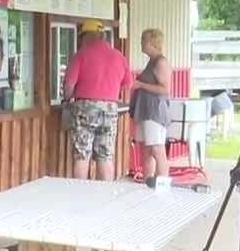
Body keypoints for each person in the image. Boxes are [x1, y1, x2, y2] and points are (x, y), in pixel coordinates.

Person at [63, 19, 132, 181]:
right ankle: (105, 197)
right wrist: (109, 92)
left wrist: (67, 99)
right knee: (105, 155)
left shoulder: (81, 55)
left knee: (82, 155)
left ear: (87, 36)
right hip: (110, 109)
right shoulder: (118, 56)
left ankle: (80, 195)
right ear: (102, 36)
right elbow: (127, 83)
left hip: (84, 107)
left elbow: (69, 85)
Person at [131, 28, 172, 181]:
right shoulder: (151, 62)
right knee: (147, 148)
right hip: (144, 110)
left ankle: (162, 181)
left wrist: (141, 85)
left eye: (143, 40)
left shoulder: (161, 62)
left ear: (152, 43)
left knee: (157, 147)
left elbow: (165, 88)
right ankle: (148, 181)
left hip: (154, 111)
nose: (141, 43)